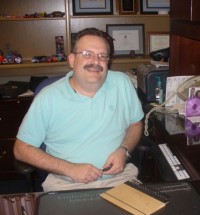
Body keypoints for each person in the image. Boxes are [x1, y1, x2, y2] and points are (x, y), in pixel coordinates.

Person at [14, 27, 144, 191]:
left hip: (120, 178)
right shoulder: (48, 98)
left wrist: (124, 151)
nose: (96, 61)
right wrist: (70, 169)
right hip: (67, 183)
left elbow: (135, 124)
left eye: (102, 56)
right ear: (72, 60)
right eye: (87, 54)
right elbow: (21, 149)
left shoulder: (122, 83)